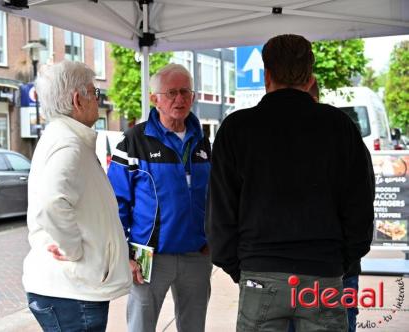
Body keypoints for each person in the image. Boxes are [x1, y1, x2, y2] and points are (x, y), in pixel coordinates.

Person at [206, 34, 374, 332]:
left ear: (267, 75)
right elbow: (360, 209)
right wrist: (339, 263)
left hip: (260, 271)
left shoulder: (237, 128)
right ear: (310, 78)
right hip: (323, 273)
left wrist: (242, 269)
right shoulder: (339, 127)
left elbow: (220, 215)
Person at [22, 60, 132, 332]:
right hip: (73, 290)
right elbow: (51, 202)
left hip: (72, 289)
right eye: (95, 93)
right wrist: (73, 250)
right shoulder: (68, 145)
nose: (98, 99)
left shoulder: (65, 138)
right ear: (77, 100)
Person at [107, 63, 212, 332]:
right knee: (141, 328)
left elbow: (214, 197)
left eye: (185, 92)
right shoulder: (133, 141)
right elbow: (115, 205)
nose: (180, 99)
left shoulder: (203, 141)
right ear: (155, 99)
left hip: (197, 255)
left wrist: (214, 238)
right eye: (172, 92)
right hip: (148, 258)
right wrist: (125, 257)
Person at [286, 79, 367, 332]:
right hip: (334, 266)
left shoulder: (338, 134)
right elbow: (363, 205)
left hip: (313, 269)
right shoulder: (345, 133)